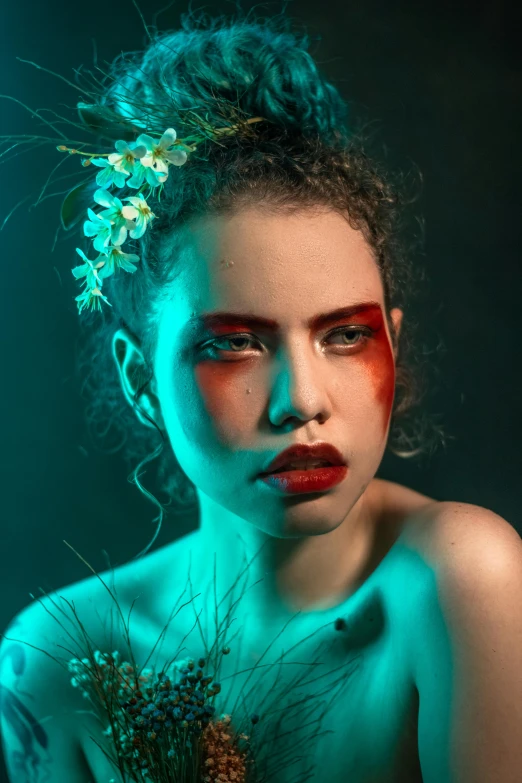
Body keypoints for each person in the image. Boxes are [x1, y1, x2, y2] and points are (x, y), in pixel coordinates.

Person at [1, 9, 521, 783]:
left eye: (345, 335)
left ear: (394, 340)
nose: (301, 401)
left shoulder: (457, 585)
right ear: (140, 378)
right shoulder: (57, 658)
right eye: (234, 343)